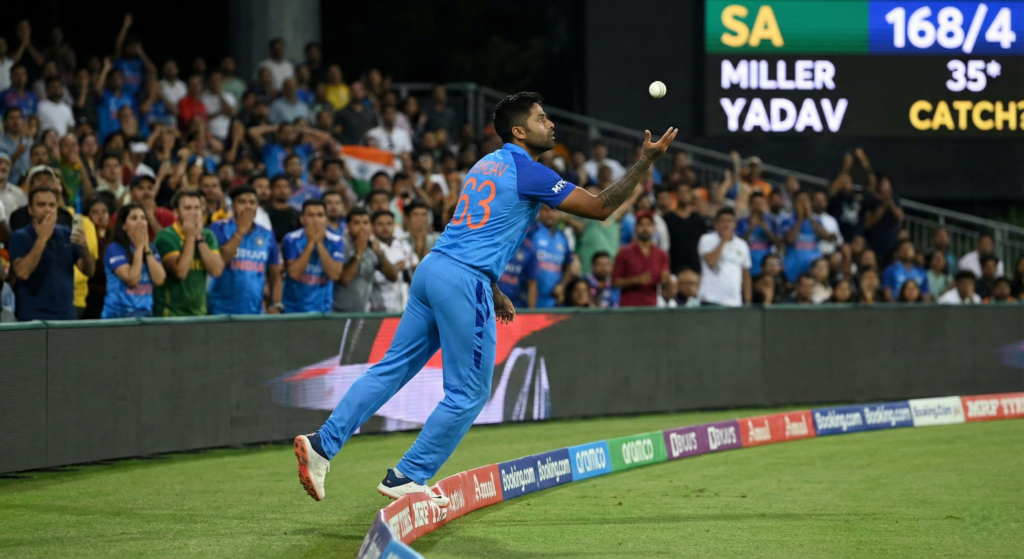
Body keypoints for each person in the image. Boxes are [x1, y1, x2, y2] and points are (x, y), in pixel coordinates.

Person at [292, 92, 677, 506]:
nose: (550, 125)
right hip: (462, 280)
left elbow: (473, 229)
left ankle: (322, 443)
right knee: (470, 393)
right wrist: (645, 163)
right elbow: (601, 207)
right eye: (541, 119)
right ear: (519, 131)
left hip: (433, 269)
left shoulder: (485, 165)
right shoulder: (531, 171)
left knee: (390, 370)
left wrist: (492, 287)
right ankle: (409, 475)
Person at [9, 186, 96, 320]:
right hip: (34, 317)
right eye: (41, 205)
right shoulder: (20, 236)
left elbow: (89, 271)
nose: (48, 209)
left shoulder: (67, 233)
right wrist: (42, 238)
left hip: (67, 316)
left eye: (52, 205)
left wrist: (84, 246)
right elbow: (22, 273)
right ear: (30, 210)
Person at [207, 186, 283, 315]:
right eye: (242, 202)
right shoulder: (218, 228)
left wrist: (275, 304)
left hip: (255, 312)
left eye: (252, 202)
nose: (248, 206)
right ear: (233, 206)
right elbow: (221, 261)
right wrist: (240, 231)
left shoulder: (267, 235)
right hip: (220, 311)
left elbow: (275, 275)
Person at [153, 190, 224, 316]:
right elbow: (181, 272)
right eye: (187, 208)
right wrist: (191, 237)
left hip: (199, 314)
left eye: (197, 208)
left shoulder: (208, 236)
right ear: (176, 212)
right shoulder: (165, 237)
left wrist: (199, 238)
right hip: (171, 314)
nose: (193, 212)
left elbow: (216, 270)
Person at [102, 203, 166, 318]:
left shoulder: (151, 248)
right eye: (134, 218)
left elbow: (159, 279)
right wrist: (139, 248)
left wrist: (146, 248)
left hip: (145, 314)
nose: (140, 222)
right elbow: (131, 280)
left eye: (143, 218)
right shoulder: (114, 248)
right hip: (118, 316)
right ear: (124, 226)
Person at [282, 199, 345, 313]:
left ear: (326, 219)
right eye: (310, 215)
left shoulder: (336, 241)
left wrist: (319, 243)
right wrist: (311, 243)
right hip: (292, 309)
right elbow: (294, 273)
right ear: (302, 219)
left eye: (320, 215)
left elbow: (334, 274)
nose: (316, 220)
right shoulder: (291, 239)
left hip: (323, 311)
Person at [333, 207, 397, 312]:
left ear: (371, 226)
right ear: (348, 226)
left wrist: (379, 254)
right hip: (337, 313)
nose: (362, 227)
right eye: (357, 223)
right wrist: (359, 252)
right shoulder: (340, 245)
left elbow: (393, 277)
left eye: (366, 223)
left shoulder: (372, 247)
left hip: (362, 313)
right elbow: (345, 279)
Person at [613, 210, 672, 307]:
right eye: (641, 225)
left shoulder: (661, 254)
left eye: (649, 225)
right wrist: (635, 280)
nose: (645, 229)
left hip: (651, 307)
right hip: (628, 307)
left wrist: (667, 281)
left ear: (654, 229)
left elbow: (665, 284)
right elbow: (615, 282)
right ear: (635, 228)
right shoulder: (624, 252)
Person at [695, 207, 752, 307]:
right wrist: (723, 241)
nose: (726, 224)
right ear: (716, 224)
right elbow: (711, 262)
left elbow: (746, 276)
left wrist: (747, 301)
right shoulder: (706, 239)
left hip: (734, 301)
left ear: (735, 224)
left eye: (730, 221)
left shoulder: (742, 244)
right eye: (723, 221)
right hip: (710, 299)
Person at [368, 210, 415, 312]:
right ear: (372, 227)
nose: (385, 228)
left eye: (389, 224)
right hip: (380, 310)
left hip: (405, 308)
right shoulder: (370, 248)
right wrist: (397, 267)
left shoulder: (404, 245)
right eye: (380, 224)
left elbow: (416, 269)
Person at [527, 205, 573, 308]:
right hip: (528, 298)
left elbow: (569, 264)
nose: (550, 214)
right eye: (546, 210)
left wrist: (562, 285)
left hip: (553, 302)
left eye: (555, 211)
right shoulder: (531, 232)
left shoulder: (563, 237)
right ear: (539, 212)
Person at [780, 190, 826, 282]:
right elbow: (789, 240)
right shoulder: (787, 220)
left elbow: (825, 236)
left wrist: (810, 217)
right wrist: (800, 218)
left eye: (806, 201)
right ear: (794, 204)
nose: (804, 204)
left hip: (813, 269)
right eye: (800, 201)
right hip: (793, 269)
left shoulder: (817, 221)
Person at [664, 183, 709, 275]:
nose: (684, 195)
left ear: (691, 195)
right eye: (681, 192)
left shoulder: (699, 220)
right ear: (675, 195)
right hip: (674, 269)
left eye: (686, 192)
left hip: (696, 269)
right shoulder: (667, 219)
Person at [861, 175, 904, 266]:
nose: (885, 187)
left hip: (890, 245)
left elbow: (900, 218)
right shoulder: (871, 200)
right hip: (874, 243)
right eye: (883, 184)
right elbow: (868, 223)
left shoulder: (894, 200)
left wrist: (890, 203)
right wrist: (883, 206)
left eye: (887, 184)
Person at [735, 191, 778, 277]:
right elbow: (737, 244)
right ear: (750, 205)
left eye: (761, 203)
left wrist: (767, 229)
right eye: (756, 203)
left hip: (766, 269)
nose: (759, 207)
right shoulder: (741, 222)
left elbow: (779, 244)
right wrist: (750, 228)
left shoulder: (772, 221)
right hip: (746, 267)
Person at [0, 108, 32, 183]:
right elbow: (2, 168)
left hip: (26, 186)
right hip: (7, 185)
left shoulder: (29, 142)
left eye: (19, 117)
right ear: (5, 122)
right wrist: (17, 153)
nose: (16, 121)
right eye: (12, 118)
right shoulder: (1, 143)